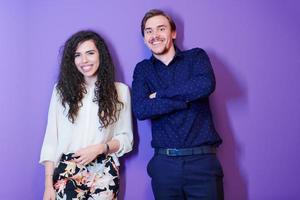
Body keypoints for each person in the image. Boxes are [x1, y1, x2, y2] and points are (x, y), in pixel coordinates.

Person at [132, 9, 224, 200]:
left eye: (161, 28)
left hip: (202, 162)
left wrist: (159, 95)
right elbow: (141, 109)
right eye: (149, 31)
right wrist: (186, 99)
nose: (155, 35)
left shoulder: (196, 57)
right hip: (164, 165)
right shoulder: (143, 69)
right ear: (144, 38)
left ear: (173, 33)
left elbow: (205, 85)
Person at [40, 30, 133, 200]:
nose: (84, 60)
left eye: (90, 53)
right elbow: (51, 139)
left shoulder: (120, 91)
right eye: (78, 55)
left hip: (104, 171)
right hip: (67, 170)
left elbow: (126, 139)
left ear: (101, 55)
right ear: (72, 60)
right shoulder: (60, 91)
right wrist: (48, 185)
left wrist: (100, 148)